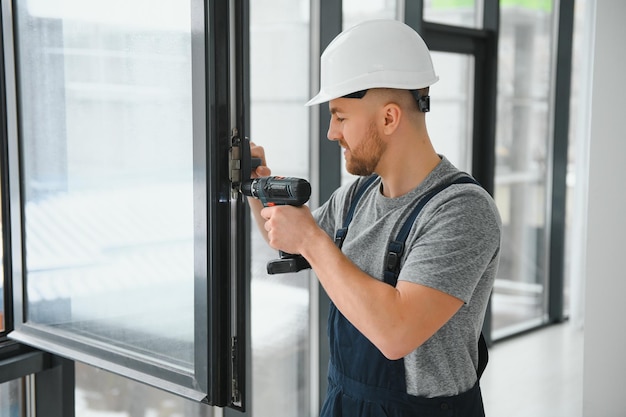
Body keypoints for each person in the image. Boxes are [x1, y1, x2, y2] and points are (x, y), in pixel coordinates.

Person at [249, 19, 501, 417]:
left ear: (388, 118)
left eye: (341, 116)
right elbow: (288, 239)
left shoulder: (462, 210)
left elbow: (396, 332)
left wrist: (313, 240)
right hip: (345, 402)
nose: (332, 132)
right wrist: (257, 186)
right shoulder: (356, 196)